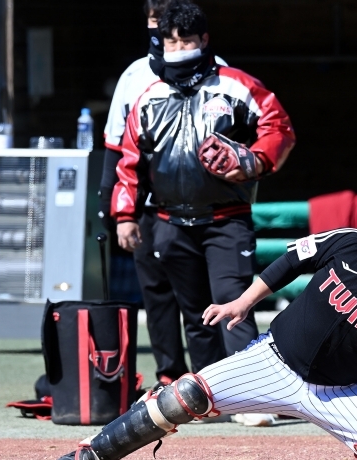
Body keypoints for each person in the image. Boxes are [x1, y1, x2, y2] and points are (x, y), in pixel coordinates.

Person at [53, 213, 357, 460]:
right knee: (185, 394)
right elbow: (294, 259)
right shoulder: (353, 243)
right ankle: (95, 453)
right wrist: (243, 302)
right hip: (274, 360)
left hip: (343, 391)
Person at [112, 3, 295, 426]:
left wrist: (253, 161)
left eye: (187, 40)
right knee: (194, 314)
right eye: (172, 40)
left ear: (204, 41)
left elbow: (279, 127)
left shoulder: (235, 85)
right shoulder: (147, 95)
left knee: (233, 307)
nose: (179, 48)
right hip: (168, 221)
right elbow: (129, 160)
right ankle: (207, 398)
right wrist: (124, 216)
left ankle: (252, 398)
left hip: (225, 219)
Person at [100, 0, 229, 391]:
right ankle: (169, 375)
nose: (160, 30)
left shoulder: (216, 69)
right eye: (153, 22)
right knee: (156, 297)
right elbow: (114, 145)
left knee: (199, 300)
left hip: (197, 207)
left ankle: (211, 381)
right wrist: (113, 209)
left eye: (165, 21)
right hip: (146, 207)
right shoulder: (135, 74)